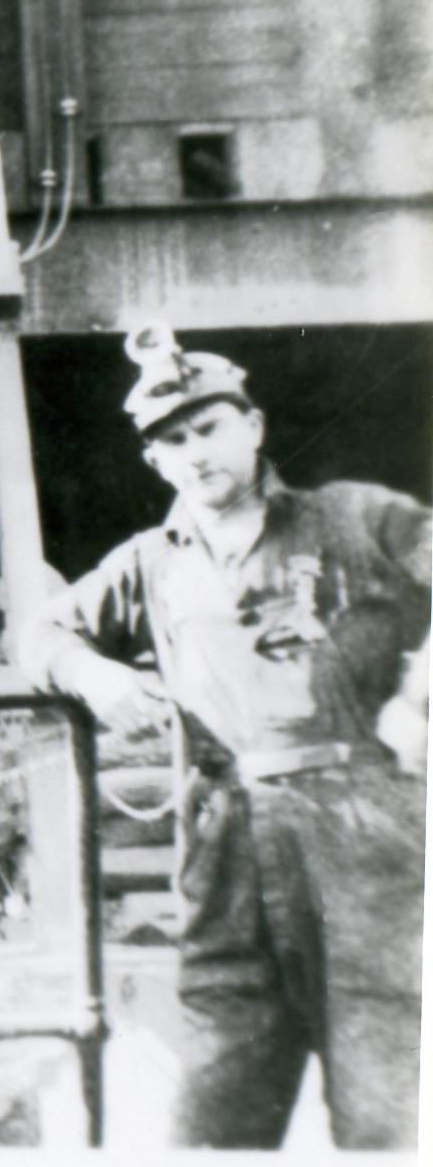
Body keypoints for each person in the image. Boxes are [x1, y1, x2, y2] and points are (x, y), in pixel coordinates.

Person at [22, 325, 430, 1150]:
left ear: (254, 426)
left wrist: (421, 694)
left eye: (208, 428)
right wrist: (95, 674)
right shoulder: (150, 563)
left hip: (364, 832)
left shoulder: (356, 517)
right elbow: (40, 634)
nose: (194, 451)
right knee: (215, 1104)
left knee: (379, 1095)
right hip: (227, 837)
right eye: (172, 441)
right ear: (154, 462)